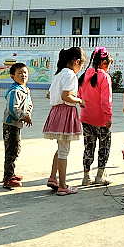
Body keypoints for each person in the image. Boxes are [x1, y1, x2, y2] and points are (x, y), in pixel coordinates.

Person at [43, 47, 86, 196]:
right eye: (81, 65)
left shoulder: (59, 74)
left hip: (56, 112)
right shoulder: (70, 75)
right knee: (64, 150)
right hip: (66, 112)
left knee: (60, 147)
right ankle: (62, 185)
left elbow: (49, 94)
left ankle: (53, 178)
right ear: (76, 62)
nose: (80, 68)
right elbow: (67, 95)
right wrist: (80, 100)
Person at [79, 47, 114, 186]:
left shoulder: (85, 75)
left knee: (88, 146)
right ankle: (100, 176)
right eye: (108, 64)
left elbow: (79, 96)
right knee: (104, 146)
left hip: (86, 118)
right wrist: (108, 117)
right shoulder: (104, 77)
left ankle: (86, 176)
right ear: (103, 63)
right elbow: (106, 101)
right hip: (101, 119)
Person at [2, 63, 33, 189]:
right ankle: (8, 178)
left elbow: (30, 104)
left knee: (15, 148)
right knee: (11, 150)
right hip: (10, 124)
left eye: (25, 73)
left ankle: (11, 173)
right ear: (12, 76)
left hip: (17, 124)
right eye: (19, 73)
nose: (23, 75)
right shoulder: (15, 91)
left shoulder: (25, 90)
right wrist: (22, 116)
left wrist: (28, 114)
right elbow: (12, 108)